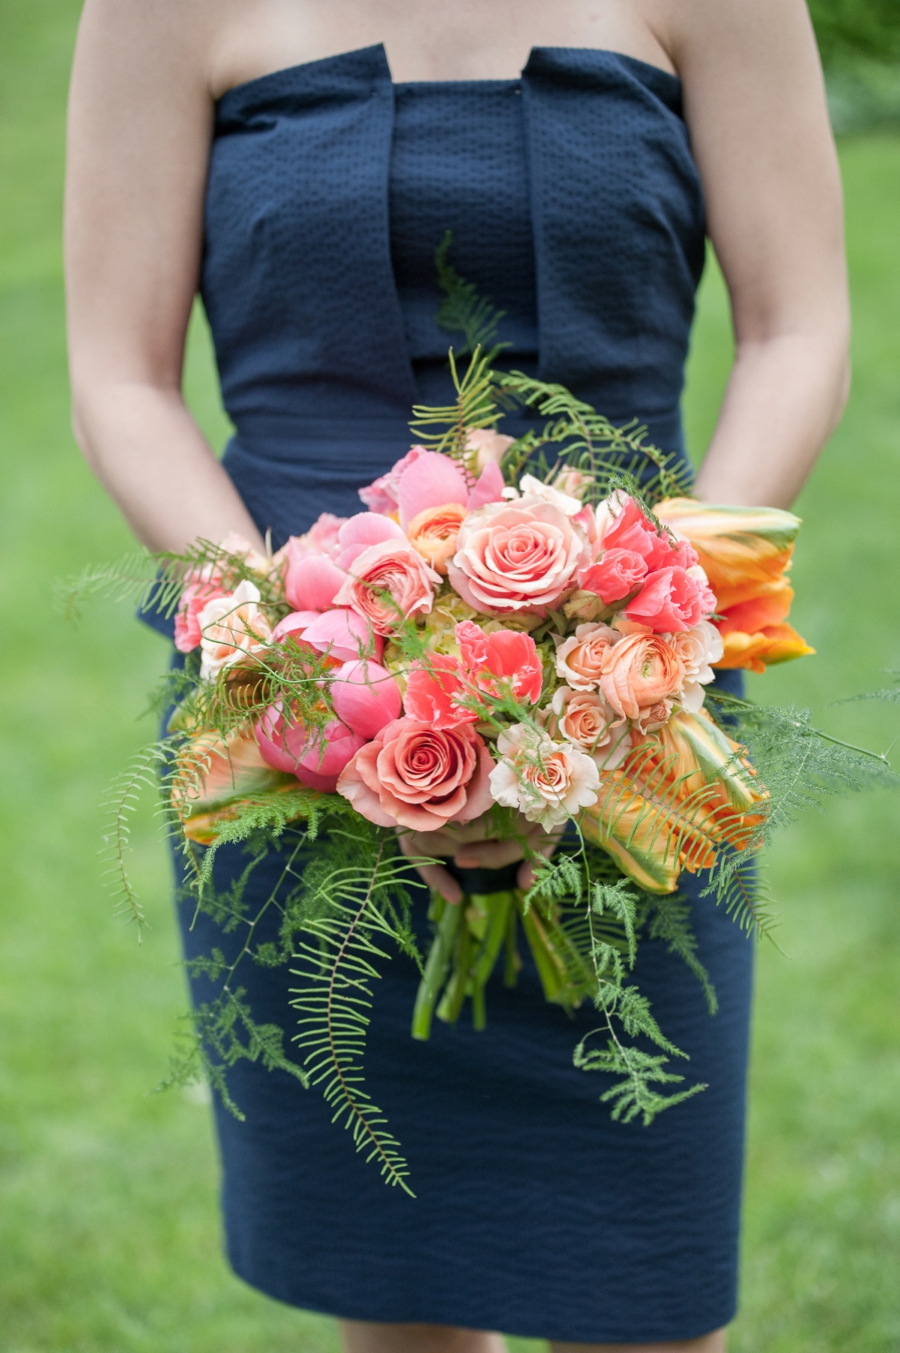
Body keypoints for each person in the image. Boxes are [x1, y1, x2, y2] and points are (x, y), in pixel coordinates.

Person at [65, 2, 849, 1350]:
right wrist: (294, 658)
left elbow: (799, 327)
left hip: (638, 715)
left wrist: (636, 636)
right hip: (294, 717)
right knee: (398, 1292)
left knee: (646, 1284)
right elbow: (118, 373)